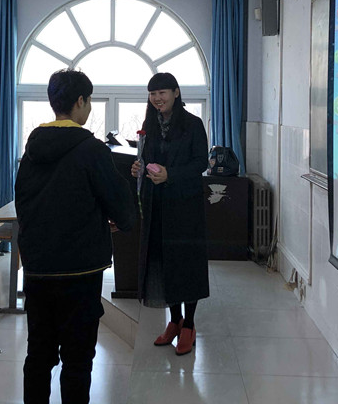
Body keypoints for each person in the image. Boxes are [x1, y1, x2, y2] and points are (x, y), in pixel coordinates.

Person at [16, 68, 134, 404]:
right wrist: (114, 219)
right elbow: (121, 206)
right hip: (80, 271)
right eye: (90, 100)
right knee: (77, 359)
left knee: (38, 354)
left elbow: (25, 202)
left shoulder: (32, 149)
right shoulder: (92, 149)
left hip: (38, 269)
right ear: (80, 101)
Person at [131, 72, 209, 356]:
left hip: (185, 205)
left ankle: (189, 325)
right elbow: (147, 158)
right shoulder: (149, 125)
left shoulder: (192, 124)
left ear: (176, 93)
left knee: (186, 264)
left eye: (162, 92)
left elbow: (201, 162)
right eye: (153, 94)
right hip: (157, 203)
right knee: (164, 263)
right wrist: (139, 168)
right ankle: (174, 321)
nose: (157, 98)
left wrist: (170, 175)